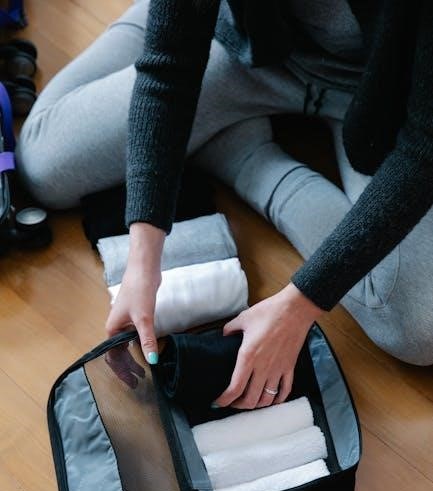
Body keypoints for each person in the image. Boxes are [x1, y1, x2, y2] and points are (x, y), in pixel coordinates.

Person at [16, 0, 433, 410]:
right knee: (44, 168)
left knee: (420, 329)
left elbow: (423, 151)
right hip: (246, 46)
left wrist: (298, 306)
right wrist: (143, 258)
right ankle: (171, 24)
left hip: (388, 92)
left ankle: (246, 157)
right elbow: (169, 69)